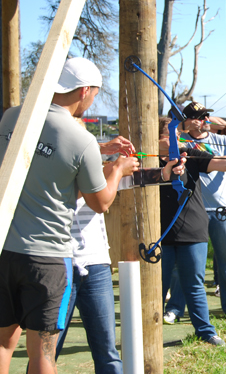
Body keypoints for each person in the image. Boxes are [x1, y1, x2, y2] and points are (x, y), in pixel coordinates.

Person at [0, 57, 139, 374]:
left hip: (5, 250)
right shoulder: (80, 139)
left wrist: (98, 151)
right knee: (43, 355)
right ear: (85, 90)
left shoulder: (11, 118)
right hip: (48, 259)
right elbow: (100, 202)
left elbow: (38, 159)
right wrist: (117, 169)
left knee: (4, 343)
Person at [157, 117, 226, 343]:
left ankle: (206, 331)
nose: (177, 139)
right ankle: (147, 330)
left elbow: (222, 162)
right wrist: (166, 167)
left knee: (194, 283)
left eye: (177, 134)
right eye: (171, 135)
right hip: (158, 233)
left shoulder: (191, 155)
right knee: (156, 286)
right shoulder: (144, 160)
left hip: (192, 229)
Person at [52, 129, 135, 374]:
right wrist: (116, 169)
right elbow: (98, 201)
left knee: (107, 351)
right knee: (48, 349)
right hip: (59, 262)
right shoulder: (50, 172)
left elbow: (139, 177)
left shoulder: (97, 169)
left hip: (96, 263)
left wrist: (169, 170)